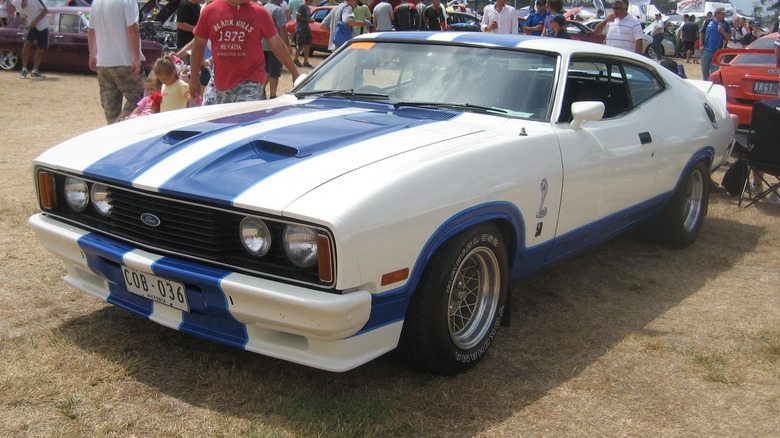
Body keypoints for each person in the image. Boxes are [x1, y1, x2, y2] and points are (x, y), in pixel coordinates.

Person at [189, 0, 299, 104]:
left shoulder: (259, 12)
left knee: (245, 119)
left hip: (251, 80)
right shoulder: (210, 11)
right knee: (227, 121)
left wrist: (294, 72)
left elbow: (276, 45)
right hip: (222, 81)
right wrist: (194, 78)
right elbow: (198, 45)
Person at [88, 0, 145, 124]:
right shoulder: (127, 1)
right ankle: (118, 125)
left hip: (103, 62)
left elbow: (91, 31)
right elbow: (132, 29)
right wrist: (136, 58)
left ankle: (112, 129)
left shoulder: (96, 3)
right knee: (139, 97)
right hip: (124, 60)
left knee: (110, 105)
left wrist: (93, 55)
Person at [11, 0, 49, 79]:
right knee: (27, 44)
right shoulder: (16, 3)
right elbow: (23, 15)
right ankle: (24, 69)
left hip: (42, 24)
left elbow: (45, 11)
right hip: (30, 25)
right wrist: (24, 24)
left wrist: (35, 22)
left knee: (40, 48)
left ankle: (35, 70)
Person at [263, 0, 292, 99]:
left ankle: (261, 90)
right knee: (274, 73)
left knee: (266, 70)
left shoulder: (264, 7)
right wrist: (287, 46)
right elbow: (282, 29)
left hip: (263, 44)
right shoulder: (278, 10)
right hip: (275, 46)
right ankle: (273, 95)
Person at [700, 7, 730, 81]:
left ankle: (713, 83)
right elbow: (702, 32)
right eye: (722, 13)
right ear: (716, 14)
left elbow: (729, 37)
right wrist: (701, 44)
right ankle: (706, 82)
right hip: (706, 50)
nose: (724, 15)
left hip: (718, 52)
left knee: (715, 71)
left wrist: (722, 31)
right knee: (705, 69)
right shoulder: (708, 21)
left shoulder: (726, 24)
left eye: (724, 14)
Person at [294, 0, 314, 68]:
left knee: (308, 45)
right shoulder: (301, 6)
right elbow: (298, 16)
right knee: (301, 45)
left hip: (307, 28)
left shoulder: (308, 8)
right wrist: (308, 20)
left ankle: (305, 61)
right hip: (301, 28)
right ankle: (296, 59)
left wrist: (310, 20)